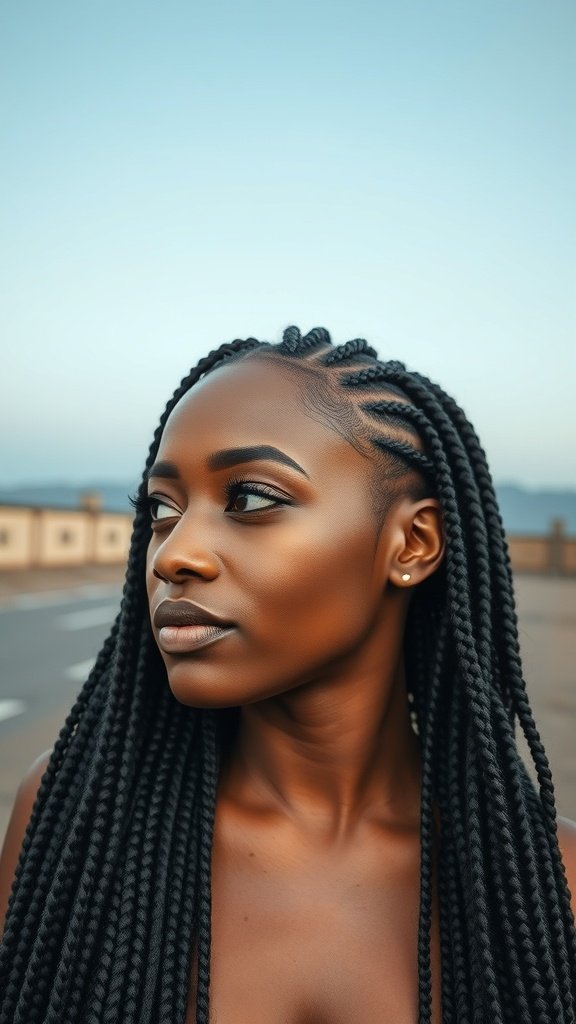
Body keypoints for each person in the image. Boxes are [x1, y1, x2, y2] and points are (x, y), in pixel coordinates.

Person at [0, 325, 574, 1024]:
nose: (174, 554)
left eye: (249, 499)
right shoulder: (72, 820)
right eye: (162, 508)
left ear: (412, 544)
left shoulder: (547, 880)